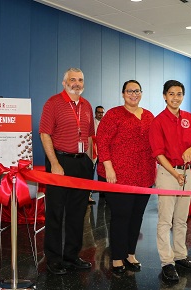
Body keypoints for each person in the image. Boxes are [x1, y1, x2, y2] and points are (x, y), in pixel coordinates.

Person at [39, 67, 95, 275]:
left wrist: (89, 162)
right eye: (73, 79)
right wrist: (54, 163)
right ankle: (53, 258)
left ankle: (71, 256)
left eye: (80, 80)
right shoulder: (53, 103)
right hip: (60, 161)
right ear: (64, 83)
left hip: (82, 164)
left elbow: (89, 136)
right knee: (55, 212)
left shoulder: (87, 105)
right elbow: (45, 135)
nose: (77, 83)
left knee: (77, 213)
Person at [96, 80, 156, 274]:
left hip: (144, 175)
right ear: (123, 94)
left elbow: (156, 142)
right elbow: (102, 141)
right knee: (121, 217)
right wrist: (108, 167)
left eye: (137, 91)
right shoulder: (113, 114)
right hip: (118, 176)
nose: (133, 94)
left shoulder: (148, 116)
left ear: (141, 93)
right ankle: (116, 258)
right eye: (130, 91)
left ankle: (130, 253)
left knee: (137, 216)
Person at [149, 80, 191, 282]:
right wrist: (174, 173)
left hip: (187, 174)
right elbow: (158, 153)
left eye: (179, 94)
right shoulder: (158, 121)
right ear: (164, 96)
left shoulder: (188, 117)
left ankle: (180, 256)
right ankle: (167, 263)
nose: (175, 97)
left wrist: (190, 150)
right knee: (165, 221)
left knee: (181, 220)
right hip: (167, 173)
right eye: (171, 94)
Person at [89, 105, 105, 204]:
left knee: (102, 173)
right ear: (95, 113)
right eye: (99, 112)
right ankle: (89, 194)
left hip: (103, 152)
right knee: (91, 172)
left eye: (102, 112)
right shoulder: (91, 123)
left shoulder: (106, 123)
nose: (100, 114)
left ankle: (103, 193)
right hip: (93, 152)